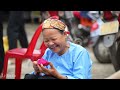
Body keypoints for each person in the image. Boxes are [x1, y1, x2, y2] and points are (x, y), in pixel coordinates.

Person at [24, 16, 92, 79]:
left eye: (54, 39)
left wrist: (58, 75)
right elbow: (43, 72)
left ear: (65, 35)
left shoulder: (80, 53)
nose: (50, 43)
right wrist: (38, 70)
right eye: (46, 40)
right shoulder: (48, 52)